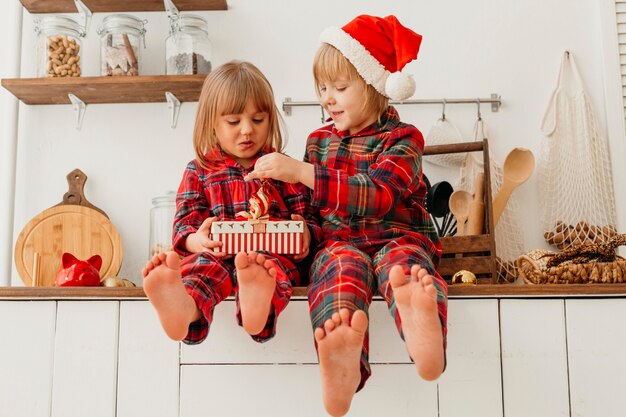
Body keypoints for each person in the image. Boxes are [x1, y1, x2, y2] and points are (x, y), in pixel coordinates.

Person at [245, 15, 448, 417]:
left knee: (404, 266)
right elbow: (314, 212)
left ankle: (419, 322)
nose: (327, 98)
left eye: (340, 87)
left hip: (397, 238)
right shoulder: (318, 142)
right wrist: (295, 229)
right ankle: (342, 361)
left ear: (375, 86)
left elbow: (379, 195)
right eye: (322, 88)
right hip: (340, 246)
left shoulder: (404, 139)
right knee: (337, 268)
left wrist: (302, 172)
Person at [142, 60, 321, 345]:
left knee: (272, 269)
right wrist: (195, 241)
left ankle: (256, 308)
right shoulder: (199, 170)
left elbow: (309, 217)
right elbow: (184, 225)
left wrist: (305, 234)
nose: (247, 130)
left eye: (258, 120)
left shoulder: (284, 168)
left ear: (270, 120)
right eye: (234, 122)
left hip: (269, 254)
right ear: (212, 123)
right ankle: (184, 308)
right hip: (218, 254)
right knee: (202, 267)